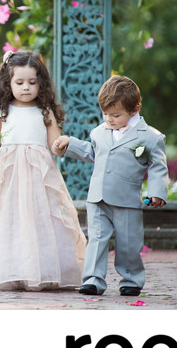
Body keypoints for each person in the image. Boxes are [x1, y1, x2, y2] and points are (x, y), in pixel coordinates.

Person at [0, 51, 85, 291]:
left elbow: (54, 145)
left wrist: (62, 144)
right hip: (7, 174)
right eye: (19, 83)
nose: (26, 88)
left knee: (38, 219)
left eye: (32, 82)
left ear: (41, 83)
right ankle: (8, 270)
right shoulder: (2, 111)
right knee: (7, 219)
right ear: (8, 83)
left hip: (39, 175)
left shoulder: (45, 111)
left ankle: (37, 271)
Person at [52, 75, 169, 296]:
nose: (109, 119)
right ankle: (93, 280)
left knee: (128, 243)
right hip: (98, 197)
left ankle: (131, 280)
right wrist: (70, 144)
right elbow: (94, 153)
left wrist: (156, 191)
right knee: (96, 239)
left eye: (115, 115)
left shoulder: (150, 137)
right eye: (105, 113)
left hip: (126, 199)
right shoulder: (99, 132)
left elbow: (157, 166)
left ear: (134, 110)